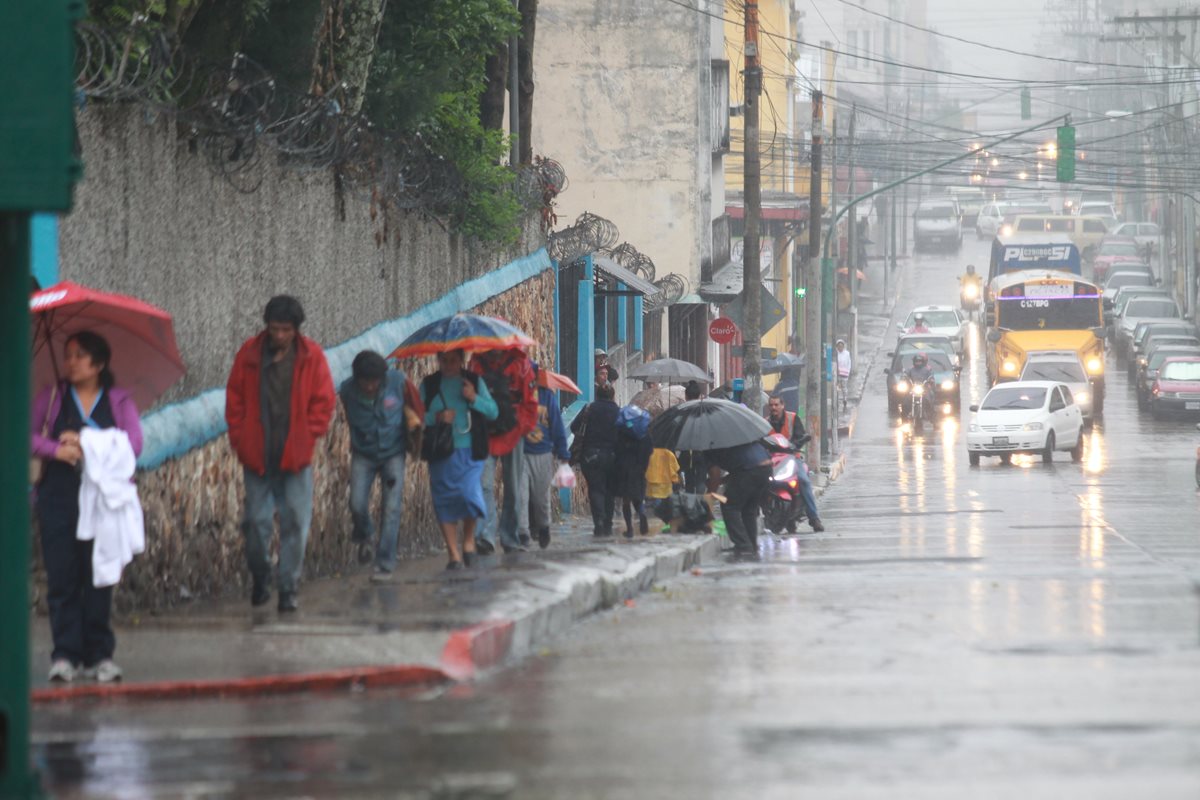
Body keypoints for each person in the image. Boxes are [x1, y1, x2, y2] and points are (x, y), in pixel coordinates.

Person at [31, 332, 143, 684]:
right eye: (68, 355)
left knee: (99, 577)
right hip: (59, 497)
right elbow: (23, 433)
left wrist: (86, 441)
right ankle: (64, 654)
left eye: (80, 356)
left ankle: (99, 654)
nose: (72, 362)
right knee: (62, 578)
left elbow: (133, 444)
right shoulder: (51, 397)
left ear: (99, 363)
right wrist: (55, 451)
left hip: (101, 503)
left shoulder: (118, 400)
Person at [226, 295, 336, 613]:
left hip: (295, 457)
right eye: (274, 329)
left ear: (296, 330)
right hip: (257, 456)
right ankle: (261, 577)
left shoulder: (311, 356)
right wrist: (239, 436)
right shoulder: (249, 354)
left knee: (296, 524)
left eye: (286, 330)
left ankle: (288, 588)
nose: (279, 336)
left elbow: (324, 400)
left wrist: (308, 434)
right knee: (256, 524)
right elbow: (234, 397)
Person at [339, 350, 423, 582]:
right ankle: (365, 535)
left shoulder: (398, 383)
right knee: (356, 503)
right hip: (363, 455)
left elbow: (416, 407)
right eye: (365, 382)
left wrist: (416, 432)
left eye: (374, 382)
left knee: (392, 507)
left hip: (393, 454)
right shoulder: (347, 391)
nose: (369, 387)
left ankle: (385, 563)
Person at [422, 349, 499, 569]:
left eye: (453, 360)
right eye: (444, 360)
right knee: (443, 499)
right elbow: (415, 415)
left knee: (469, 495)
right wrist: (435, 417)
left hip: (470, 450)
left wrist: (474, 398)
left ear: (462, 360)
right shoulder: (429, 385)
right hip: (440, 451)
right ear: (437, 360)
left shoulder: (474, 381)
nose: (448, 365)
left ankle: (467, 540)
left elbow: (493, 411)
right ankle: (454, 554)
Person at [472, 348, 538, 554]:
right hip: (485, 433)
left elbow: (531, 402)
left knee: (513, 487)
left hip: (513, 433)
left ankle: (510, 537)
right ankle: (486, 535)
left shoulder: (521, 364)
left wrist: (520, 427)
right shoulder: (476, 363)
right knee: (484, 485)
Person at [520, 365, 570, 549]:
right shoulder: (517, 397)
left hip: (543, 453)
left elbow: (556, 426)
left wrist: (563, 453)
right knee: (521, 495)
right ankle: (523, 532)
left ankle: (543, 527)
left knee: (541, 498)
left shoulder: (547, 397)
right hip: (521, 454)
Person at [764, 394, 824, 532]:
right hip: (773, 459)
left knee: (803, 481)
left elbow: (800, 435)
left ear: (782, 405)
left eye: (776, 405)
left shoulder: (792, 418)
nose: (774, 408)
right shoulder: (765, 422)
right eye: (771, 405)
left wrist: (796, 443)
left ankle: (813, 518)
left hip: (792, 457)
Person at [570, 382, 621, 537]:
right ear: (612, 396)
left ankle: (598, 522)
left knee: (596, 489)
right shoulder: (618, 411)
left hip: (590, 456)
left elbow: (574, 427)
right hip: (613, 456)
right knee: (610, 491)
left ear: (597, 395)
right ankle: (608, 523)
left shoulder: (589, 409)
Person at [706, 440, 773, 554]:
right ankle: (751, 544)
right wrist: (722, 480)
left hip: (750, 470)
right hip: (766, 467)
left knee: (729, 506)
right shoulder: (737, 436)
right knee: (749, 508)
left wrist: (708, 500)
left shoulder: (710, 446)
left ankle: (743, 544)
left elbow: (715, 474)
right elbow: (739, 470)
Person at [615, 405, 653, 538]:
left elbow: (617, 450)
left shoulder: (622, 432)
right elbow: (649, 452)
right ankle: (641, 512)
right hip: (640, 470)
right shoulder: (645, 435)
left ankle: (630, 529)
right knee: (638, 497)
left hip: (624, 469)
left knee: (626, 500)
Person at [679, 380, 708, 494]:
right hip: (702, 450)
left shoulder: (682, 411)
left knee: (689, 481)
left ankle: (690, 507)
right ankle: (700, 506)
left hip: (687, 451)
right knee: (701, 479)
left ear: (686, 396)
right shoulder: (704, 410)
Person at [835, 339, 852, 408]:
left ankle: (845, 399)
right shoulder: (836, 354)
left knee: (844, 388)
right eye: (839, 346)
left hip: (845, 374)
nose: (840, 348)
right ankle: (838, 400)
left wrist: (848, 371)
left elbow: (849, 363)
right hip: (838, 374)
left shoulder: (847, 353)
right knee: (838, 388)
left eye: (841, 346)